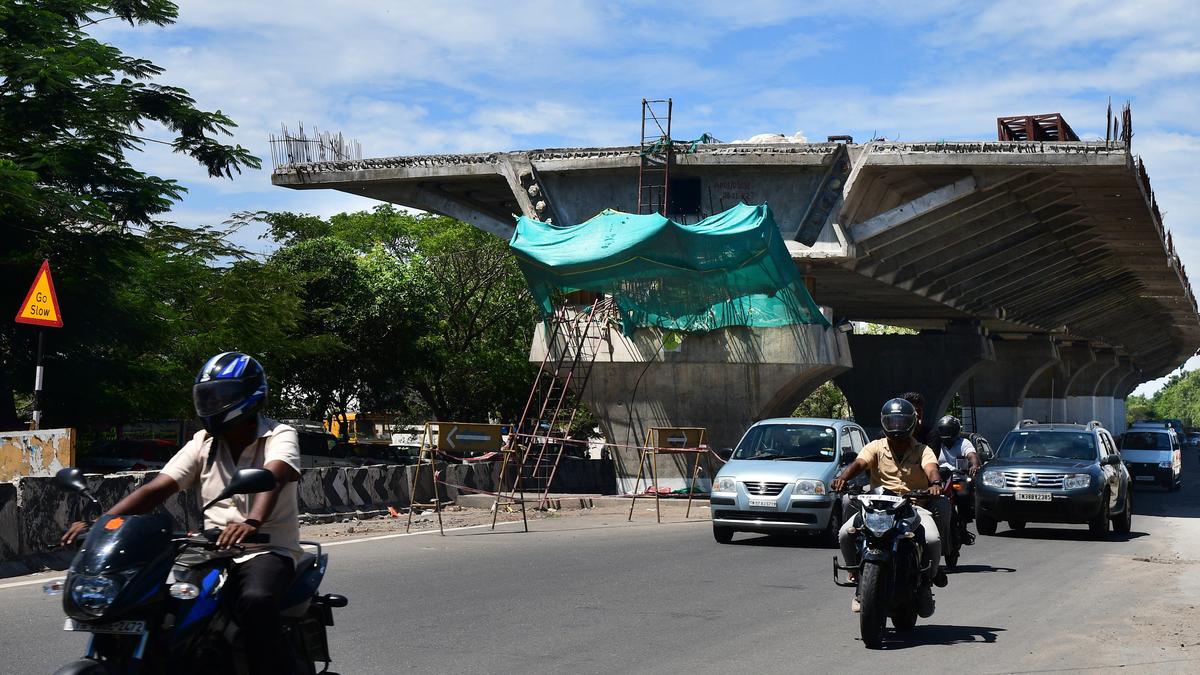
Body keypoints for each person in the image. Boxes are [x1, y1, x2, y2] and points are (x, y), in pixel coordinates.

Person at [63, 352, 301, 674]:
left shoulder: (279, 434)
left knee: (256, 599)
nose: (212, 404)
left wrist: (251, 521)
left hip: (265, 548)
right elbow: (157, 488)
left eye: (221, 396)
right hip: (209, 549)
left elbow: (274, 475)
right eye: (207, 396)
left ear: (248, 396)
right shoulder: (203, 442)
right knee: (161, 604)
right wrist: (103, 523)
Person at [831, 398, 946, 616]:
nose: (897, 427)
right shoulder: (875, 446)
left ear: (911, 423)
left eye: (901, 422)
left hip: (912, 506)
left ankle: (925, 582)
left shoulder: (923, 449)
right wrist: (843, 478)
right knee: (845, 533)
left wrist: (936, 484)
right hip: (877, 507)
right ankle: (856, 575)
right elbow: (859, 463)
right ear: (885, 423)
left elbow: (931, 468)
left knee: (932, 539)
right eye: (892, 422)